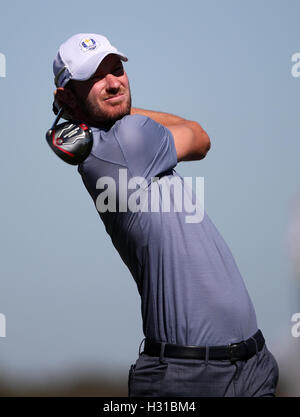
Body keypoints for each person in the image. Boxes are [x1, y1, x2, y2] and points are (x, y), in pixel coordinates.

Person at [52, 33, 279, 397]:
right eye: (95, 78)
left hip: (252, 365)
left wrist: (82, 115)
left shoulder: (118, 138)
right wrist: (116, 111)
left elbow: (191, 133)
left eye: (116, 70)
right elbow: (200, 136)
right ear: (66, 96)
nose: (113, 83)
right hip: (185, 377)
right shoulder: (130, 139)